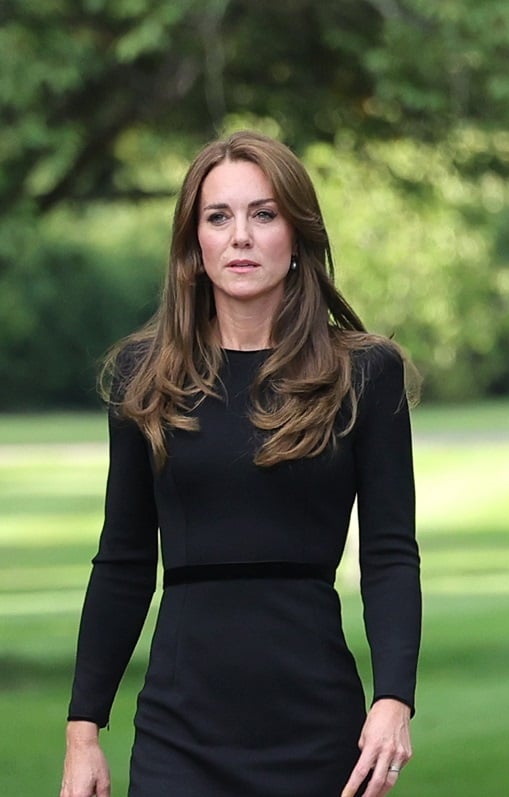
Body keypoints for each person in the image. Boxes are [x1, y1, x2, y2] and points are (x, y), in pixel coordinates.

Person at [59, 130, 421, 797]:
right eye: (218, 217)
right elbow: (123, 560)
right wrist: (84, 729)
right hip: (180, 728)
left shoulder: (364, 374)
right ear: (194, 245)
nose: (241, 236)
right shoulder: (146, 379)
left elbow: (391, 552)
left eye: (264, 214)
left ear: (297, 235)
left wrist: (394, 698)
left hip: (315, 722)